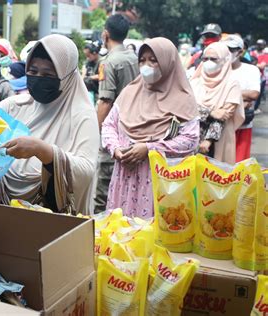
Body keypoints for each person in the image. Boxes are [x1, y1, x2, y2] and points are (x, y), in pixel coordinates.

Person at [0, 34, 99, 215]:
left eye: (48, 74)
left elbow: (85, 171)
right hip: (4, 214)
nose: (38, 78)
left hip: (54, 224)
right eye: (33, 72)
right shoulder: (15, 107)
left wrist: (43, 151)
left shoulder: (82, 116)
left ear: (66, 77)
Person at [101, 37, 200, 218]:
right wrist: (115, 148)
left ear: (168, 62)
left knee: (153, 235)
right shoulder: (130, 92)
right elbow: (109, 125)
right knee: (122, 232)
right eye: (142, 60)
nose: (146, 65)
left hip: (159, 180)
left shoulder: (182, 99)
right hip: (124, 175)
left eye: (153, 60)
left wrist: (149, 148)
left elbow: (191, 140)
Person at [95, 14, 139, 213]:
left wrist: (98, 131)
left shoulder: (108, 62)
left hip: (114, 129)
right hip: (136, 129)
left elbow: (105, 101)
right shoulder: (134, 58)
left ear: (105, 34)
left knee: (104, 185)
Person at [190, 42, 244, 164]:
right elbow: (186, 108)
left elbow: (223, 116)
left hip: (219, 138)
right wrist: (210, 112)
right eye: (205, 59)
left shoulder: (232, 84)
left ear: (225, 60)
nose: (208, 62)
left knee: (216, 176)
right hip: (192, 136)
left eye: (213, 59)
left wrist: (208, 140)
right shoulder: (195, 82)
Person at [223, 35, 260, 162]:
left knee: (239, 165)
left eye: (231, 49)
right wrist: (242, 97)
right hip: (219, 126)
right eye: (225, 49)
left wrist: (227, 93)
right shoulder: (218, 69)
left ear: (240, 51)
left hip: (243, 125)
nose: (228, 53)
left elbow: (254, 94)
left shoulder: (251, 70)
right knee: (218, 168)